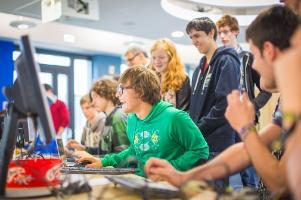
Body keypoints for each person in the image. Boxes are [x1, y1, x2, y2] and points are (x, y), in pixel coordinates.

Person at [145, 5, 299, 197]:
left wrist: (245, 128)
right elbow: (245, 151)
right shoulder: (288, 105)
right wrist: (183, 177)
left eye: (255, 54)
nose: (255, 64)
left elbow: (283, 183)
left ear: (269, 51)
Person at [76, 66, 209, 177]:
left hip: (169, 186)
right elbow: (134, 151)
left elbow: (200, 151)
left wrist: (169, 169)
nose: (117, 95)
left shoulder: (175, 118)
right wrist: (103, 161)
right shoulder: (132, 119)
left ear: (140, 91)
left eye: (121, 89)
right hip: (142, 183)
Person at [216, 14, 272, 189]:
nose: (223, 36)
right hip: (225, 121)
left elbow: (267, 88)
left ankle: (253, 193)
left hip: (246, 119)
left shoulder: (247, 58)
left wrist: (253, 106)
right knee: (229, 166)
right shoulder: (219, 58)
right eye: (220, 33)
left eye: (226, 31)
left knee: (248, 165)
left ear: (235, 31)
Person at [186, 17, 240, 167]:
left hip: (217, 142)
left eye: (197, 35)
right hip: (200, 141)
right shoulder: (198, 70)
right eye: (191, 37)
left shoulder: (226, 61)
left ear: (211, 33)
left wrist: (198, 128)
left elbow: (224, 104)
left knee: (216, 189)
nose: (193, 41)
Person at [89, 78, 129, 154]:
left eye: (96, 97)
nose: (93, 103)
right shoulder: (109, 117)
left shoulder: (117, 117)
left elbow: (122, 153)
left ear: (106, 94)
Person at [150, 38, 191, 111]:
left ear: (171, 58)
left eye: (161, 57)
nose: (156, 61)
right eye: (154, 58)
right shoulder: (151, 78)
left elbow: (183, 111)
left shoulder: (182, 78)